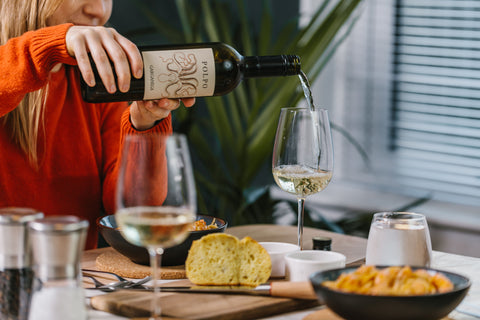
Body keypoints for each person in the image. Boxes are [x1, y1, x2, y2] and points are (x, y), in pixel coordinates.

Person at [0, 0, 195, 249]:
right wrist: (48, 46)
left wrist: (144, 125)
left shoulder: (98, 82)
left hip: (78, 279)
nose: (99, 10)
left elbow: (132, 210)